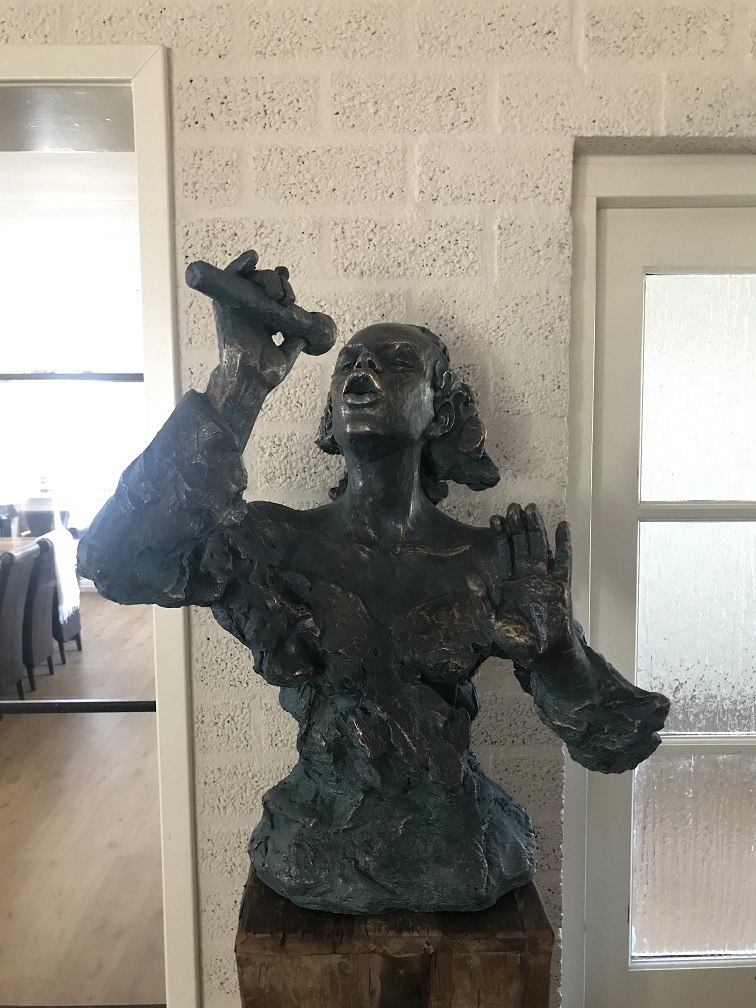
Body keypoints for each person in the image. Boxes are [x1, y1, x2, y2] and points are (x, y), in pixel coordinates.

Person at [78, 252, 669, 914]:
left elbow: (616, 746)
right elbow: (116, 566)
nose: (364, 371)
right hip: (310, 845)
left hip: (463, 850)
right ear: (329, 415)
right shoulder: (271, 544)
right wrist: (239, 384)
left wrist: (560, 656)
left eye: (397, 364)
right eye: (350, 364)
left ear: (440, 413)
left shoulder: (492, 561)